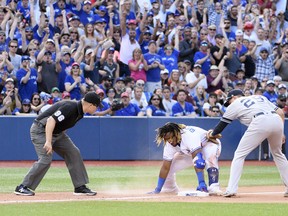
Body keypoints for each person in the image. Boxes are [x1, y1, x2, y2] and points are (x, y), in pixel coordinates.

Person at [14, 92, 102, 196]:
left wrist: (60, 142)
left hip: (57, 133)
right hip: (41, 130)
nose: (97, 109)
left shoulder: (80, 112)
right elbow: (51, 121)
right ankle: (23, 187)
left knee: (73, 152)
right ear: (91, 105)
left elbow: (63, 125)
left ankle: (80, 187)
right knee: (45, 159)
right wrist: (48, 141)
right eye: (97, 106)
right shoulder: (70, 107)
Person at [209, 89, 288, 197]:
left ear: (235, 97)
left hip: (260, 120)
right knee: (278, 154)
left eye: (229, 101)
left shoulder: (235, 103)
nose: (229, 104)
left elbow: (220, 127)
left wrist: (211, 134)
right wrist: (281, 132)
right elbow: (281, 112)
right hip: (276, 120)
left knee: (239, 155)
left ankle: (231, 189)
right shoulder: (260, 97)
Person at [148, 122, 222, 195]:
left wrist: (201, 183)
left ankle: (213, 187)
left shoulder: (188, 136)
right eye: (167, 139)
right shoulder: (169, 145)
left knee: (209, 159)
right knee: (169, 167)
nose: (169, 141)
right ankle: (170, 189)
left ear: (176, 134)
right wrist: (157, 189)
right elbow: (165, 167)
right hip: (188, 151)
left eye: (170, 138)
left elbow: (198, 159)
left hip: (209, 145)